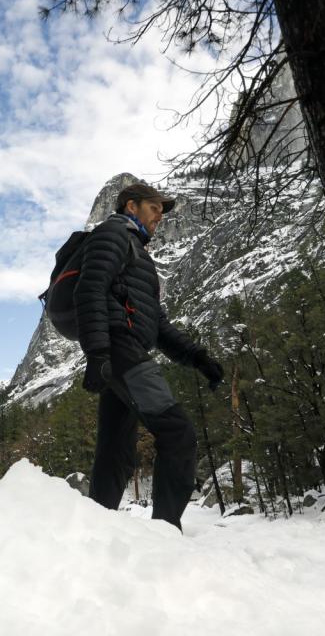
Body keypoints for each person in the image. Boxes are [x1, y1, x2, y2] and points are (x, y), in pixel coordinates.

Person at [75, 183, 223, 530]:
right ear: (131, 206)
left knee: (116, 454)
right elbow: (89, 288)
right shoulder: (112, 235)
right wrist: (97, 353)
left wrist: (198, 357)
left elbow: (157, 324)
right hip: (121, 350)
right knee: (178, 434)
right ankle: (165, 533)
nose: (160, 216)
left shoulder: (139, 257)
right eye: (155, 207)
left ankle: (97, 530)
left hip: (125, 351)